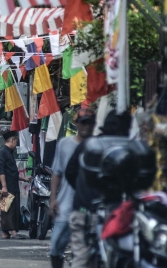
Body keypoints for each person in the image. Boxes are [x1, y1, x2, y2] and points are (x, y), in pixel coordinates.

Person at [65, 110, 131, 268]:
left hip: (84, 210)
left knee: (81, 258)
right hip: (111, 214)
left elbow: (70, 172)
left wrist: (84, 191)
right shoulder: (125, 148)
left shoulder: (89, 145)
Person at [49, 108, 96, 268]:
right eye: (83, 123)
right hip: (66, 204)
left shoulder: (97, 144)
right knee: (56, 245)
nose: (86, 127)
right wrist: (53, 199)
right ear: (76, 124)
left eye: (90, 123)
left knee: (87, 247)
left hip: (89, 204)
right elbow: (57, 173)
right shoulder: (65, 144)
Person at [0, 130, 31, 239]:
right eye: (16, 142)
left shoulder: (9, 153)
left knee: (13, 208)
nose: (16, 145)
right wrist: (4, 186)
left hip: (13, 184)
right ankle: (12, 231)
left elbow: (13, 172)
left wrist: (24, 179)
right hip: (7, 186)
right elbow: (0, 171)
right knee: (7, 209)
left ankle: (7, 232)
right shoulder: (2, 153)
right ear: (12, 140)